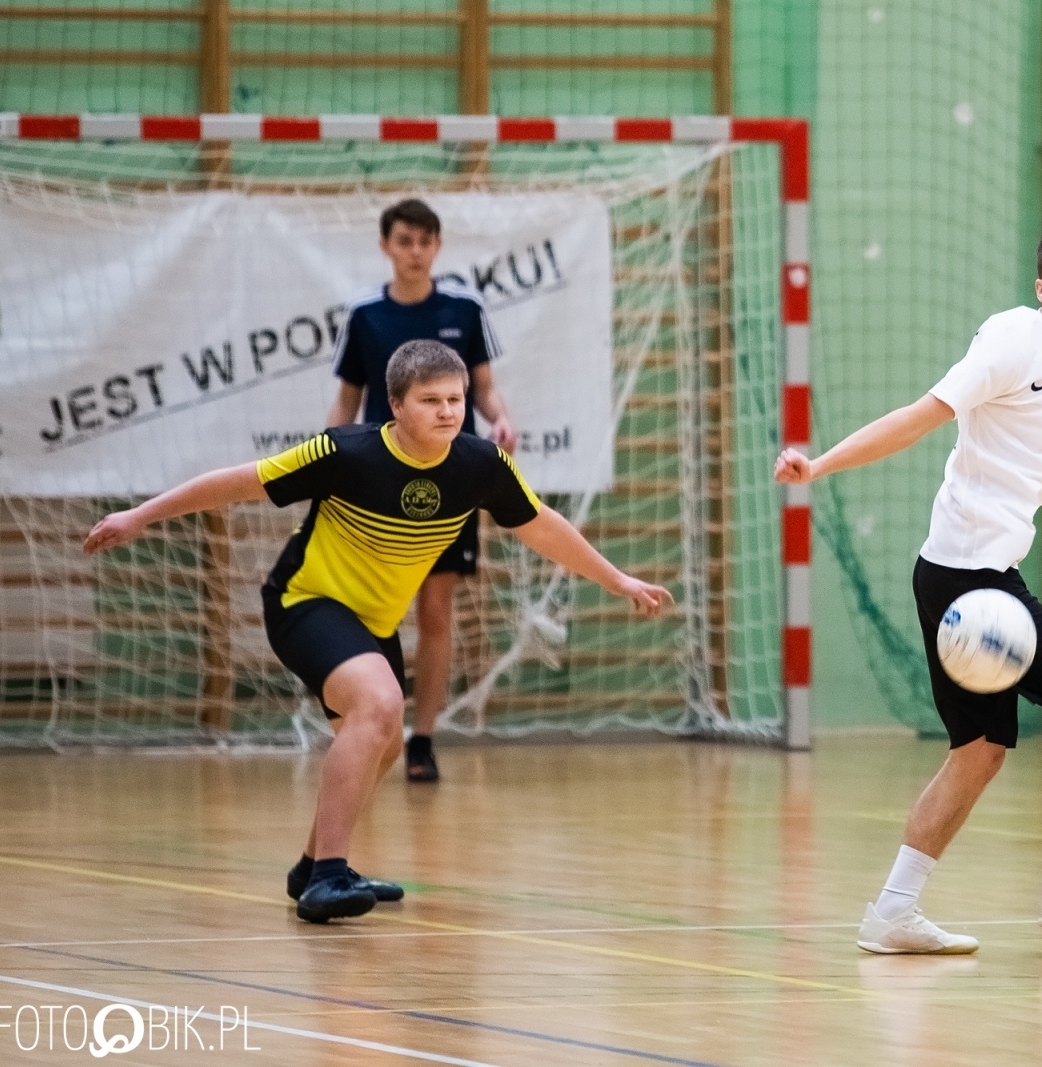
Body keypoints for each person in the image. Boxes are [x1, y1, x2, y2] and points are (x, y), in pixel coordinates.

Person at [86, 341, 671, 923]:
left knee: (383, 740)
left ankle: (313, 864)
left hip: (373, 623)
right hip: (306, 602)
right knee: (380, 703)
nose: (447, 411)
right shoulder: (345, 453)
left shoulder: (478, 465)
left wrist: (617, 579)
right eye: (429, 400)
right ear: (394, 405)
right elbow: (236, 483)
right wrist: (138, 516)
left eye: (456, 399)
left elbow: (540, 524)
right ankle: (328, 880)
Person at [774, 220, 1042, 954]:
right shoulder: (1011, 341)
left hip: (976, 571)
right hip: (968, 576)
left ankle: (894, 909)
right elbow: (919, 417)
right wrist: (821, 465)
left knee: (982, 748)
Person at [328, 197, 518, 783]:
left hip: (447, 481)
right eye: (405, 241)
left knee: (435, 609)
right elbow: (346, 402)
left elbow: (484, 389)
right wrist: (329, 460)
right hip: (378, 479)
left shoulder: (464, 310)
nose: (415, 251)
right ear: (385, 245)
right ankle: (367, 724)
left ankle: (423, 739)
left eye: (425, 241)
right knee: (366, 612)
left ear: (438, 247)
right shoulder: (364, 317)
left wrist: (500, 419)